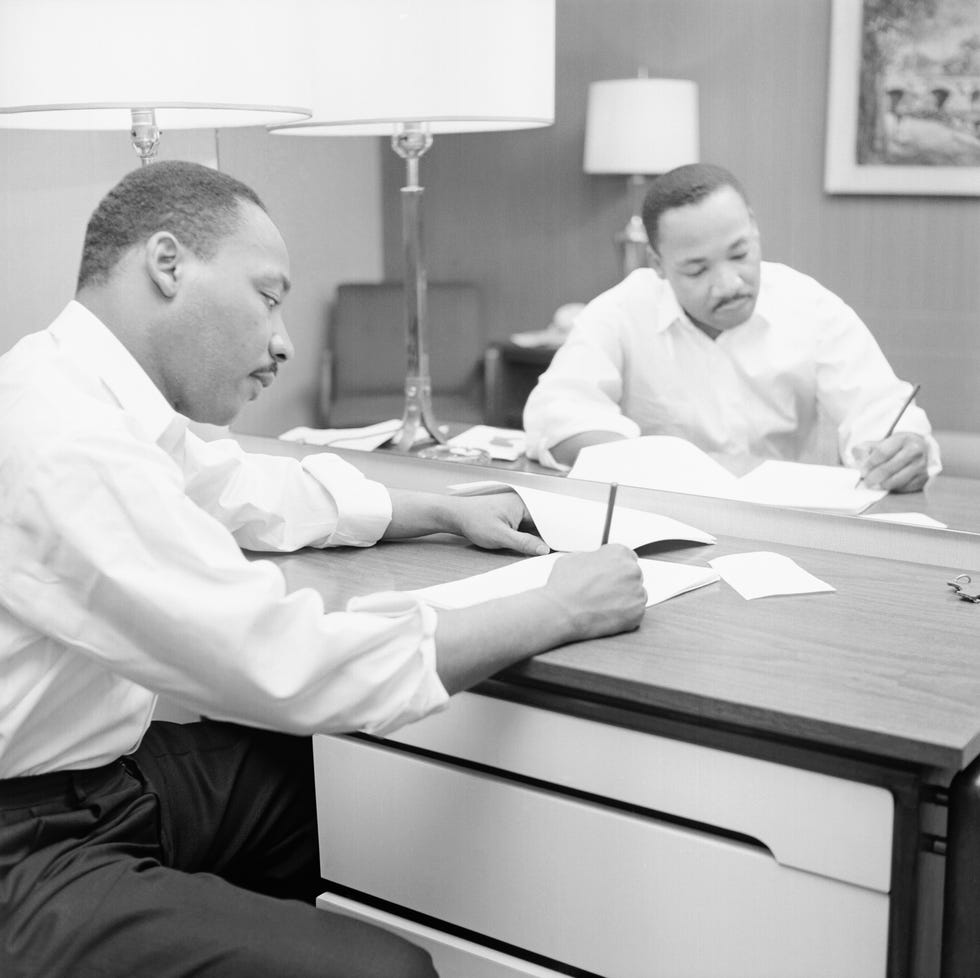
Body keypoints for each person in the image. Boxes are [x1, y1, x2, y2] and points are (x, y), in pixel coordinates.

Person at [0, 161, 646, 978]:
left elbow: (234, 485)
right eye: (268, 296)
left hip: (99, 779)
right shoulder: (68, 442)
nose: (284, 340)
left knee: (341, 790)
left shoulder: (74, 386)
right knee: (389, 972)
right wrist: (557, 608)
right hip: (25, 847)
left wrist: (440, 510)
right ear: (168, 265)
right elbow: (282, 663)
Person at [523, 162, 940, 492]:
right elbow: (556, 416)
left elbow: (881, 414)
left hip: (787, 527)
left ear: (754, 228)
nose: (728, 284)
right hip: (659, 520)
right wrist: (654, 463)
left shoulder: (811, 306)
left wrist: (904, 448)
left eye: (739, 253)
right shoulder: (621, 310)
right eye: (696, 268)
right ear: (658, 264)